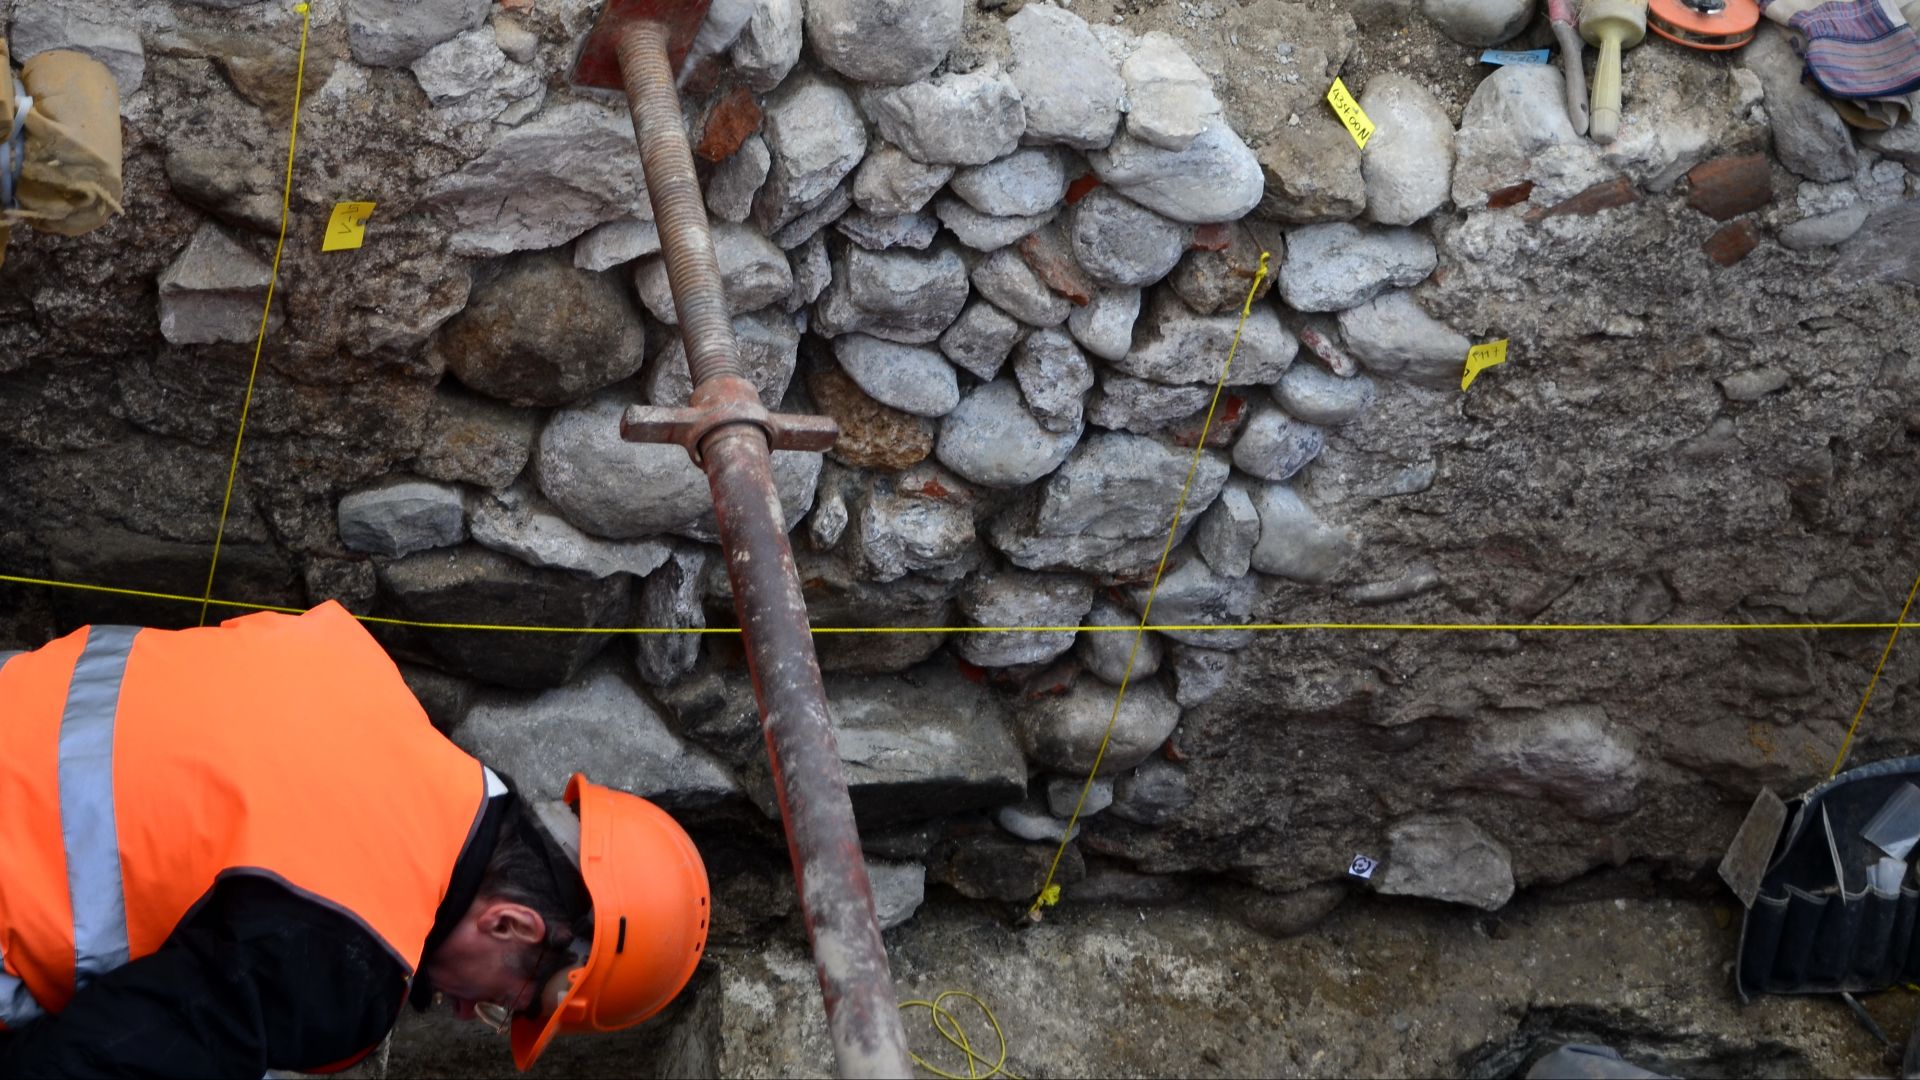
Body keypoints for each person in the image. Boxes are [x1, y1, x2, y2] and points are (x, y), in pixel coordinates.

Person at [0, 600, 710, 1075]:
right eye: (505, 1002)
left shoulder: (364, 676)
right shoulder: (349, 961)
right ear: (512, 924)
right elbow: (93, 1063)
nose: (468, 1012)